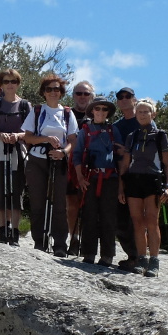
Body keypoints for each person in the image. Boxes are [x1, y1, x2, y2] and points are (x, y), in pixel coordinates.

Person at [23, 74, 74, 256]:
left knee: (59, 203)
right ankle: (40, 242)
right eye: (49, 89)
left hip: (58, 161)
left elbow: (72, 140)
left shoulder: (67, 113)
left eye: (56, 89)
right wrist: (44, 139)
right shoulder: (37, 111)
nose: (53, 92)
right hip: (37, 160)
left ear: (61, 93)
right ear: (44, 92)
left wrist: (63, 152)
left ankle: (60, 244)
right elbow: (27, 137)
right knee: (37, 202)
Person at [72, 96, 127, 266]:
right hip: (90, 178)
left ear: (108, 112)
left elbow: (120, 158)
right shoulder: (85, 131)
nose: (101, 112)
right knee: (89, 215)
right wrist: (80, 178)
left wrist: (121, 185)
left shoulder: (113, 131)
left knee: (108, 217)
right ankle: (88, 253)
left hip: (110, 178)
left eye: (104, 109)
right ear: (92, 111)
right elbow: (76, 155)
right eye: (98, 108)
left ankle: (107, 256)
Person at [121, 99, 168, 277]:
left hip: (153, 180)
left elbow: (167, 163)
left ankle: (154, 260)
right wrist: (121, 187)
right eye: (139, 112)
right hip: (134, 181)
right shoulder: (132, 136)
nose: (142, 115)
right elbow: (125, 164)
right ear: (135, 115)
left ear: (153, 114)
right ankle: (141, 258)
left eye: (146, 112)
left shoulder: (160, 135)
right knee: (137, 221)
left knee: (151, 220)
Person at [0, 69, 31, 245]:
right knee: (0, 189)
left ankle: (15, 232)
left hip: (18, 150)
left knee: (16, 191)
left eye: (13, 81)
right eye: (6, 81)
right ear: (1, 84)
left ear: (18, 84)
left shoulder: (25, 105)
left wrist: (18, 136)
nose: (10, 85)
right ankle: (3, 230)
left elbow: (30, 132)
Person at [65, 80, 96, 253]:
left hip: (91, 166)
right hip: (69, 165)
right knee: (71, 203)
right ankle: (74, 238)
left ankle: (87, 240)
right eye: (79, 93)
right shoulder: (66, 114)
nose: (82, 97)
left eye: (86, 94)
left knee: (90, 204)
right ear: (73, 95)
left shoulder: (98, 116)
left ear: (91, 96)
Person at [112, 87, 140, 269]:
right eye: (120, 97)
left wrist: (126, 151)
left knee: (140, 219)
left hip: (142, 175)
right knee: (121, 219)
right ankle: (133, 256)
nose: (123, 99)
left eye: (127, 96)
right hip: (121, 176)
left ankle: (142, 258)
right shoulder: (116, 126)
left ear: (134, 99)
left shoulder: (144, 121)